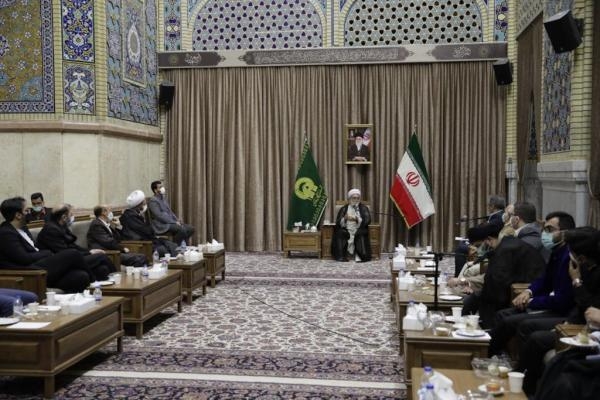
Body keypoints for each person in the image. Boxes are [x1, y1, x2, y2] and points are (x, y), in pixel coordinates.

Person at [517, 227, 600, 395]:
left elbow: (590, 308)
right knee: (528, 329)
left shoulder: (588, 271)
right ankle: (522, 383)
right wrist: (569, 322)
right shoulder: (582, 266)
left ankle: (527, 388)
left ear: (581, 257)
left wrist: (576, 281)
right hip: (577, 322)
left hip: (589, 329)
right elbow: (579, 306)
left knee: (539, 341)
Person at [488, 211, 576, 356]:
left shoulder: (569, 257)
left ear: (565, 232)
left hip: (562, 311)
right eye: (544, 229)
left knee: (514, 322)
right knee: (502, 315)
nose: (545, 234)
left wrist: (532, 301)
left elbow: (562, 300)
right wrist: (528, 292)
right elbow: (544, 280)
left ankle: (502, 359)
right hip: (549, 302)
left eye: (550, 230)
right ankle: (489, 352)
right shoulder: (557, 251)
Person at [0, 197, 91, 293]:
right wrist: (47, 253)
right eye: (26, 211)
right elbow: (24, 258)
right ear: (18, 215)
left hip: (40, 265)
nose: (30, 213)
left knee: (81, 276)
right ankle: (94, 284)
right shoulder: (6, 233)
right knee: (73, 254)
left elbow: (34, 249)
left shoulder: (23, 228)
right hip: (28, 271)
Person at [465, 222, 546, 328]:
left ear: (489, 240)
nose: (478, 250)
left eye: (478, 246)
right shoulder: (506, 245)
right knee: (475, 297)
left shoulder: (505, 250)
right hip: (515, 284)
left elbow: (497, 282)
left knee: (479, 299)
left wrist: (477, 289)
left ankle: (486, 331)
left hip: (522, 290)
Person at [36, 204, 115, 281]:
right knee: (101, 256)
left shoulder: (61, 226)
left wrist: (90, 251)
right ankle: (117, 276)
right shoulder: (51, 230)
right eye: (71, 214)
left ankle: (110, 284)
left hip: (72, 258)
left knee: (102, 269)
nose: (73, 217)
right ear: (64, 217)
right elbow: (64, 251)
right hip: (61, 263)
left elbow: (73, 246)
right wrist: (89, 253)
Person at [120, 190, 178, 257]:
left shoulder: (134, 214)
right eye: (144, 201)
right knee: (163, 250)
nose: (145, 203)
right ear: (139, 204)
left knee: (171, 244)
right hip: (141, 243)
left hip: (146, 240)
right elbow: (146, 231)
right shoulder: (131, 216)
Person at [148, 180, 195, 245]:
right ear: (155, 190)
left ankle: (182, 246)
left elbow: (170, 212)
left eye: (162, 186)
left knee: (190, 228)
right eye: (160, 187)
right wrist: (174, 222)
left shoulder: (163, 199)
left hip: (170, 222)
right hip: (161, 225)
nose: (162, 188)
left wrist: (177, 220)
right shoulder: (153, 201)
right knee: (181, 229)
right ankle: (175, 247)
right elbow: (159, 216)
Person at [331, 188, 371, 262]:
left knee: (361, 234)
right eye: (354, 198)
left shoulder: (363, 208)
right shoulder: (344, 208)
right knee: (340, 232)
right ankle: (341, 256)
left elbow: (367, 220)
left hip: (359, 229)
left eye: (358, 198)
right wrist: (345, 218)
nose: (356, 200)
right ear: (349, 199)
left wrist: (357, 219)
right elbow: (338, 222)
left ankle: (362, 256)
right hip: (346, 229)